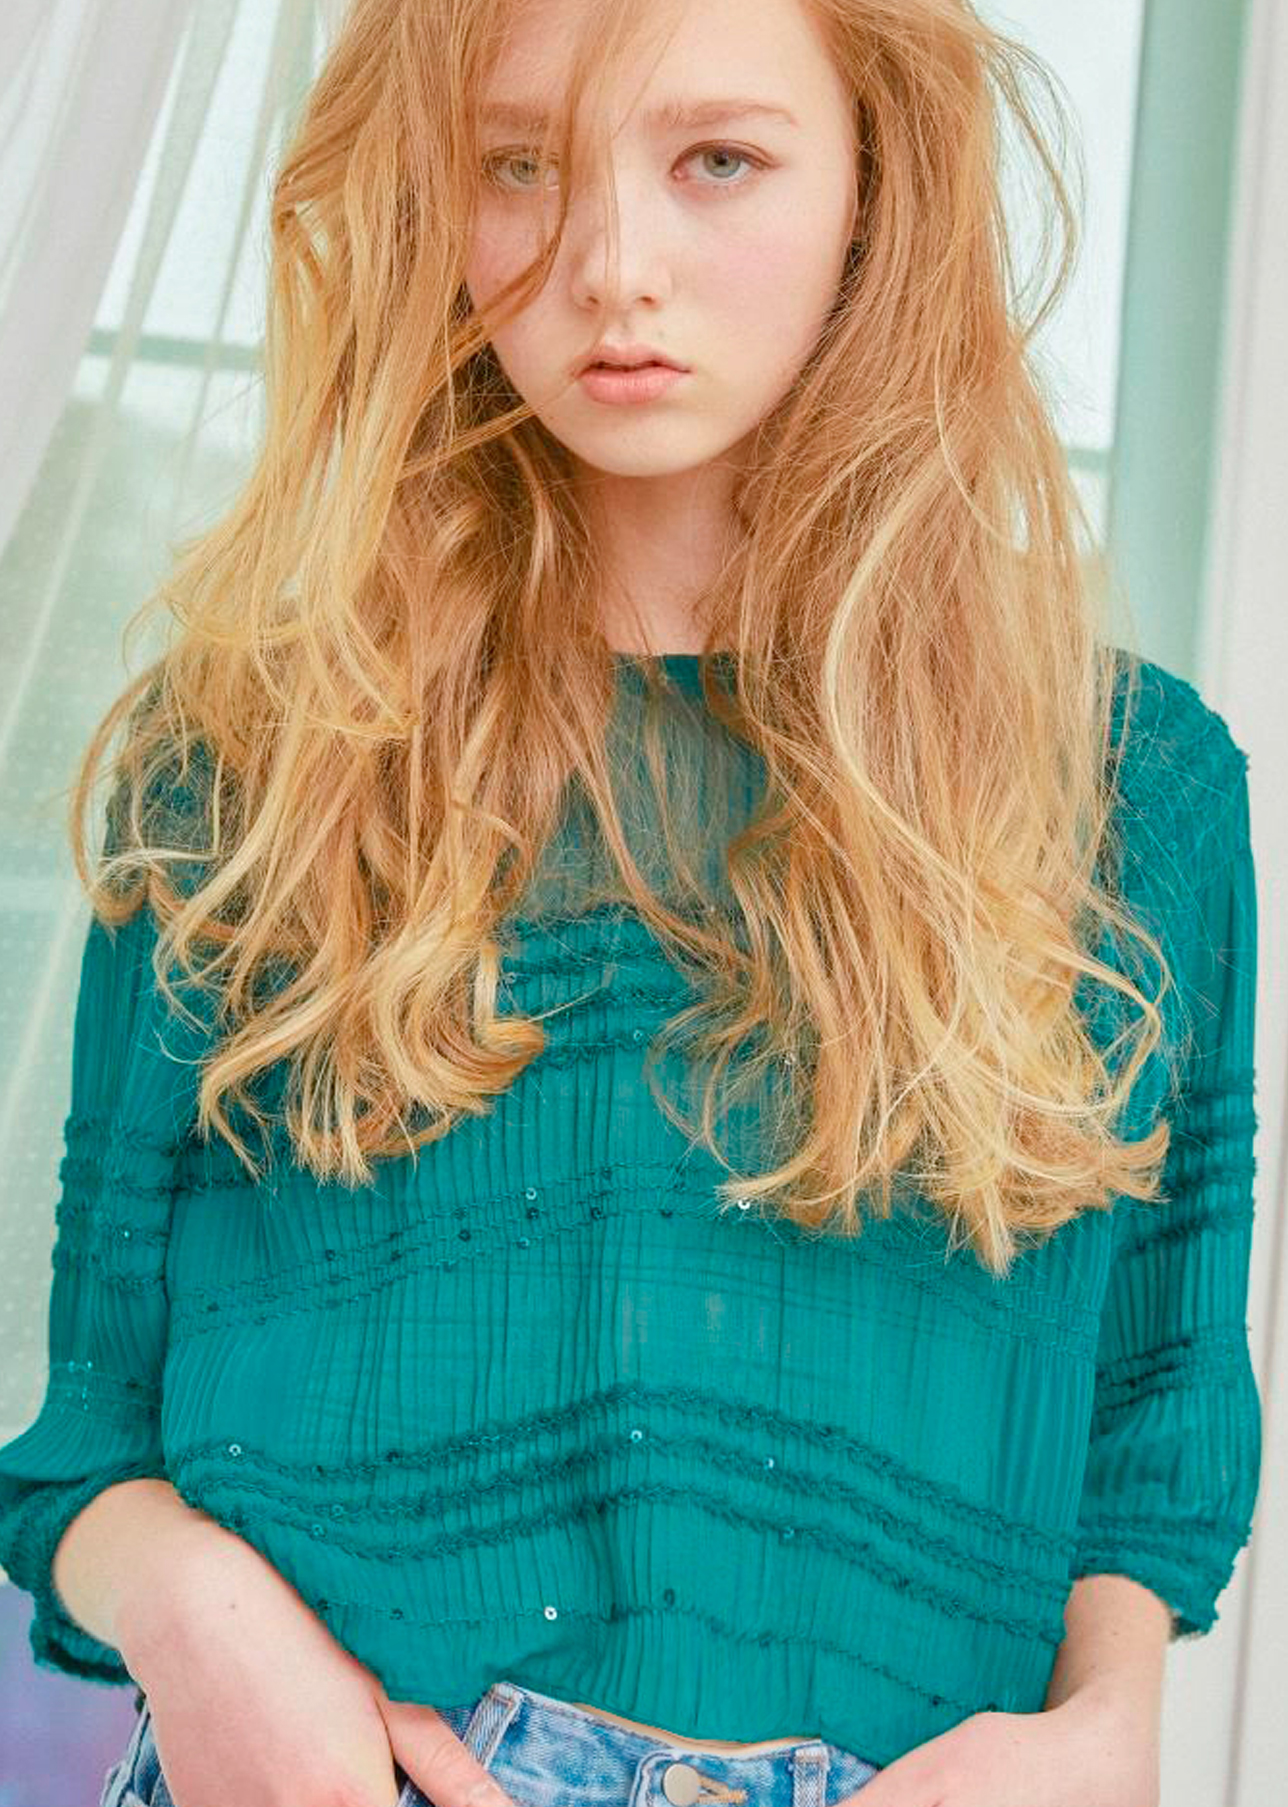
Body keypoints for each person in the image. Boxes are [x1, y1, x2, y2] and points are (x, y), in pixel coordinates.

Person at [0, 0, 1262, 1804]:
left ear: (876, 185)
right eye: (519, 166)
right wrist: (193, 1617)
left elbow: (1154, 1412)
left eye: (717, 161)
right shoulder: (251, 758)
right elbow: (91, 1435)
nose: (610, 267)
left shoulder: (1128, 789)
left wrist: (1104, 1739)